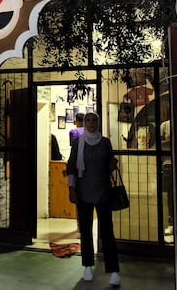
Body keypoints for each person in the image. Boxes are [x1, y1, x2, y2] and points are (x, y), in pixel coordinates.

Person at [67, 112, 121, 286]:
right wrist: (71, 188)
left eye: (94, 120)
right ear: (84, 123)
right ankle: (87, 266)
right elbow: (72, 166)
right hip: (83, 192)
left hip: (103, 192)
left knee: (107, 232)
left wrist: (113, 164)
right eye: (88, 120)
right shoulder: (78, 143)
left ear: (98, 122)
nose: (91, 123)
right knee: (86, 231)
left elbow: (108, 164)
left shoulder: (105, 143)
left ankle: (113, 270)